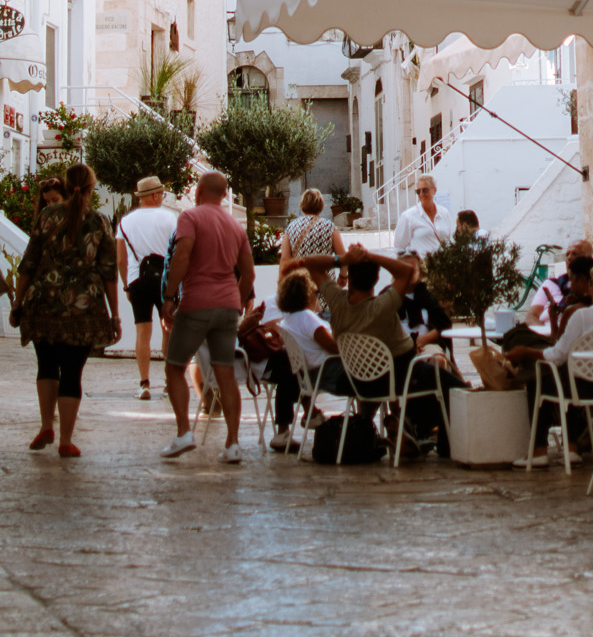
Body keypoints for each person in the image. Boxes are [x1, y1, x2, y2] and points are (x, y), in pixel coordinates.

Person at [11, 161, 120, 457]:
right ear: (90, 188)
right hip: (83, 308)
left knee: (46, 365)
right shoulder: (99, 221)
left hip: (43, 302)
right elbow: (109, 272)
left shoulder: (47, 216)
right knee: (72, 372)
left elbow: (28, 263)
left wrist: (18, 302)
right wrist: (115, 315)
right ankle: (66, 441)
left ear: (67, 186)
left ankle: (46, 425)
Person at [317, 243, 463, 451]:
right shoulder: (382, 306)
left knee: (425, 375)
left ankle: (407, 429)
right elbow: (407, 271)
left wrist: (342, 260)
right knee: (454, 388)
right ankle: (428, 436)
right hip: (399, 379)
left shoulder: (337, 303)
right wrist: (370, 256)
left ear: (349, 278)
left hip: (360, 382)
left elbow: (309, 264)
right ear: (377, 279)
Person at [503, 261, 593, 459]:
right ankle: (572, 448)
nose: (589, 288)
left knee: (541, 377)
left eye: (592, 283)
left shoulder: (583, 316)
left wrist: (526, 352)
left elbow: (558, 355)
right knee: (568, 372)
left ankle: (539, 450)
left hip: (579, 387)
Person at [160, 170, 255, 464]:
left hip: (196, 303)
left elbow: (182, 255)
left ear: (199, 191)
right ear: (225, 195)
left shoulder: (190, 217)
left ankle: (184, 433)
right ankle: (233, 443)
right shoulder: (235, 225)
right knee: (225, 372)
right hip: (227, 306)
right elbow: (249, 273)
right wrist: (237, 302)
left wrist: (169, 297)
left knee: (175, 366)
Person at [116, 175, 178, 401]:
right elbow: (178, 252)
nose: (162, 197)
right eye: (161, 193)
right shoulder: (170, 218)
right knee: (168, 329)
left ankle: (144, 383)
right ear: (154, 195)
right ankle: (169, 383)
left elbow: (121, 260)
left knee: (142, 331)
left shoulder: (125, 222)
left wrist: (126, 286)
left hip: (137, 280)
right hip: (165, 281)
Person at [265, 269, 340, 450]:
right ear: (308, 294)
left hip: (307, 375)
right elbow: (333, 348)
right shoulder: (308, 319)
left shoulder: (287, 321)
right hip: (326, 373)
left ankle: (311, 414)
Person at [278, 189, 348, 282]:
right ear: (321, 205)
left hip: (301, 283)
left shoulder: (291, 227)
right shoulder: (329, 226)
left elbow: (285, 259)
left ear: (302, 204)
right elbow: (342, 256)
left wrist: (281, 282)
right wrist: (343, 276)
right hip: (325, 283)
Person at [393, 177, 455, 258]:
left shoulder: (444, 213)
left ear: (434, 190)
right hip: (422, 264)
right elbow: (399, 248)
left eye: (425, 190)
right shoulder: (408, 216)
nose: (421, 194)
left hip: (443, 263)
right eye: (418, 192)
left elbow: (450, 239)